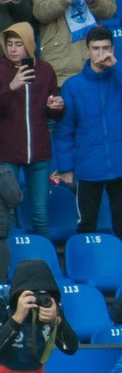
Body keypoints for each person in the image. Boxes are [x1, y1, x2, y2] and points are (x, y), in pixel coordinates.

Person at [53, 28, 122, 248]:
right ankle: (85, 265)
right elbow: (64, 130)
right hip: (89, 165)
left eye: (106, 48)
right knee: (86, 223)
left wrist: (117, 65)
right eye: (96, 49)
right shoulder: (73, 86)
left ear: (113, 49)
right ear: (87, 50)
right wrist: (66, 167)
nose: (101, 54)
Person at [0, 20, 54, 237]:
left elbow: (53, 111)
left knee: (40, 213)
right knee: (7, 214)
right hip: (7, 154)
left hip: (39, 154)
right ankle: (7, 264)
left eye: (19, 44)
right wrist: (11, 87)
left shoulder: (45, 70)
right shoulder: (1, 69)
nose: (13, 49)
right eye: (10, 43)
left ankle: (46, 264)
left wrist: (56, 106)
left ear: (30, 45)